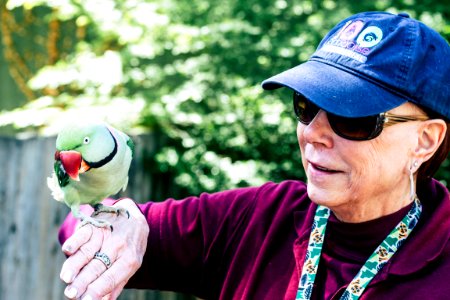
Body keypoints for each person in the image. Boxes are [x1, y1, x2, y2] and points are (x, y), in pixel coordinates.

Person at [58, 11, 450, 300]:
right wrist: (118, 223)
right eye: (306, 104)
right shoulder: (260, 218)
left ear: (426, 140)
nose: (313, 132)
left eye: (355, 118)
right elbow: (75, 229)